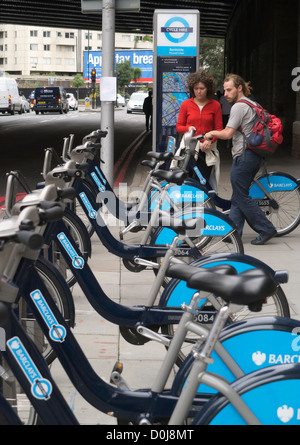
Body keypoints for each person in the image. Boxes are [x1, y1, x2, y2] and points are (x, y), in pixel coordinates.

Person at [204, 73, 277, 245]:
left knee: (242, 196)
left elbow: (228, 133)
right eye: (225, 90)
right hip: (252, 156)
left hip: (244, 156)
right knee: (238, 194)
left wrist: (211, 133)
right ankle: (234, 231)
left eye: (229, 90)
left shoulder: (239, 107)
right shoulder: (253, 103)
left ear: (239, 88)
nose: (226, 94)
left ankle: (267, 229)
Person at [176, 70, 223, 184]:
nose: (198, 91)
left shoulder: (215, 105)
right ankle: (187, 202)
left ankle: (203, 201)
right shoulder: (186, 104)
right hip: (189, 149)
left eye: (202, 88)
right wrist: (188, 129)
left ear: (208, 89)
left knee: (203, 181)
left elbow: (219, 129)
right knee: (186, 181)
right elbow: (179, 127)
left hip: (206, 149)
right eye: (196, 88)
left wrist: (210, 140)